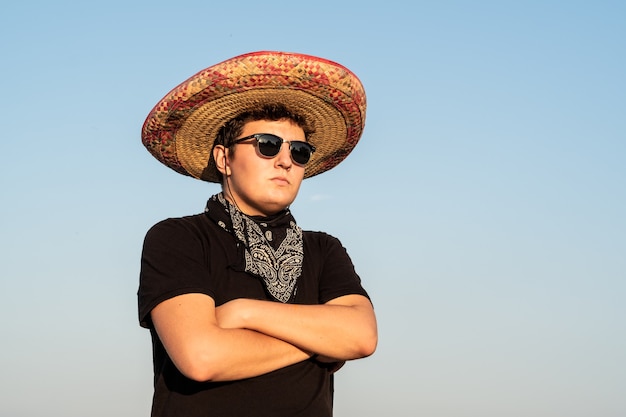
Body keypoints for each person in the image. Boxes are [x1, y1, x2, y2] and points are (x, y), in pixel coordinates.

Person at [137, 51, 377, 417]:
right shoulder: (178, 238)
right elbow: (202, 357)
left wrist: (242, 311)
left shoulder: (324, 249)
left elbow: (361, 336)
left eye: (299, 151)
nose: (285, 161)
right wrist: (322, 341)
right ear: (224, 159)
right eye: (267, 145)